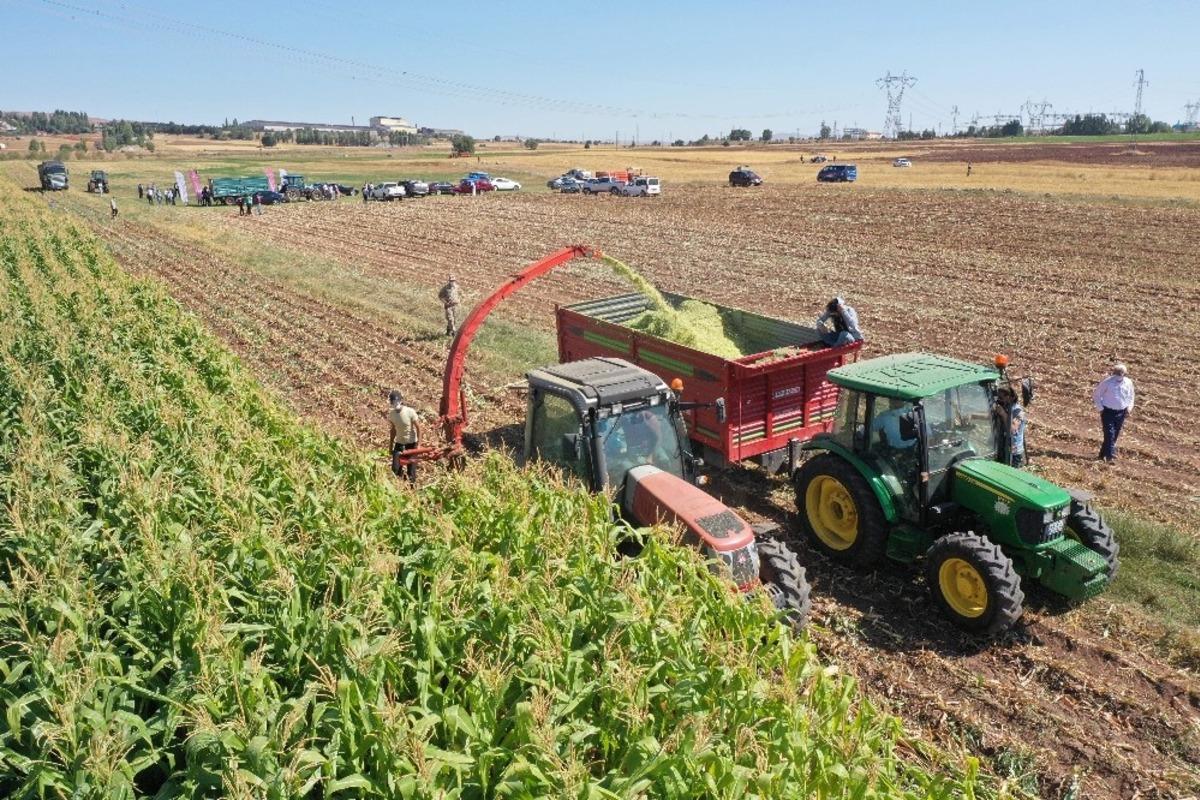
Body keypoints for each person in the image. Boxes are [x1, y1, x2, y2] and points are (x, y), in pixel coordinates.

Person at [1092, 363, 1134, 462]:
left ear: (1125, 374)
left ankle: (1102, 455)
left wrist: (1129, 408)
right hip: (1108, 412)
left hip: (1121, 412)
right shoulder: (1107, 382)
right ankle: (1110, 456)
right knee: (1109, 434)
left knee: (1114, 435)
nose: (1119, 375)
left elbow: (1131, 396)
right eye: (1117, 373)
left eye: (1121, 373)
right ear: (1114, 373)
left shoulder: (1128, 383)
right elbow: (1097, 395)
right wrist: (1100, 409)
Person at [386, 390, 421, 484]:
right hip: (399, 443)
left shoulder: (409, 412)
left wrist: (419, 444)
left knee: (411, 472)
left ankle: (411, 489)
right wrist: (390, 446)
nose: (395, 403)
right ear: (391, 403)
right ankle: (401, 481)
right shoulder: (392, 415)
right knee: (395, 469)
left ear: (400, 401)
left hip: (411, 444)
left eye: (396, 401)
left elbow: (418, 427)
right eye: (393, 402)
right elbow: (393, 431)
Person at [993, 383, 1026, 467]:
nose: (999, 400)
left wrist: (1003, 414)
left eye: (1001, 398)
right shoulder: (1006, 407)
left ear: (1009, 397)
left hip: (1014, 454)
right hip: (1003, 449)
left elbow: (1012, 429)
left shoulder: (1018, 411)